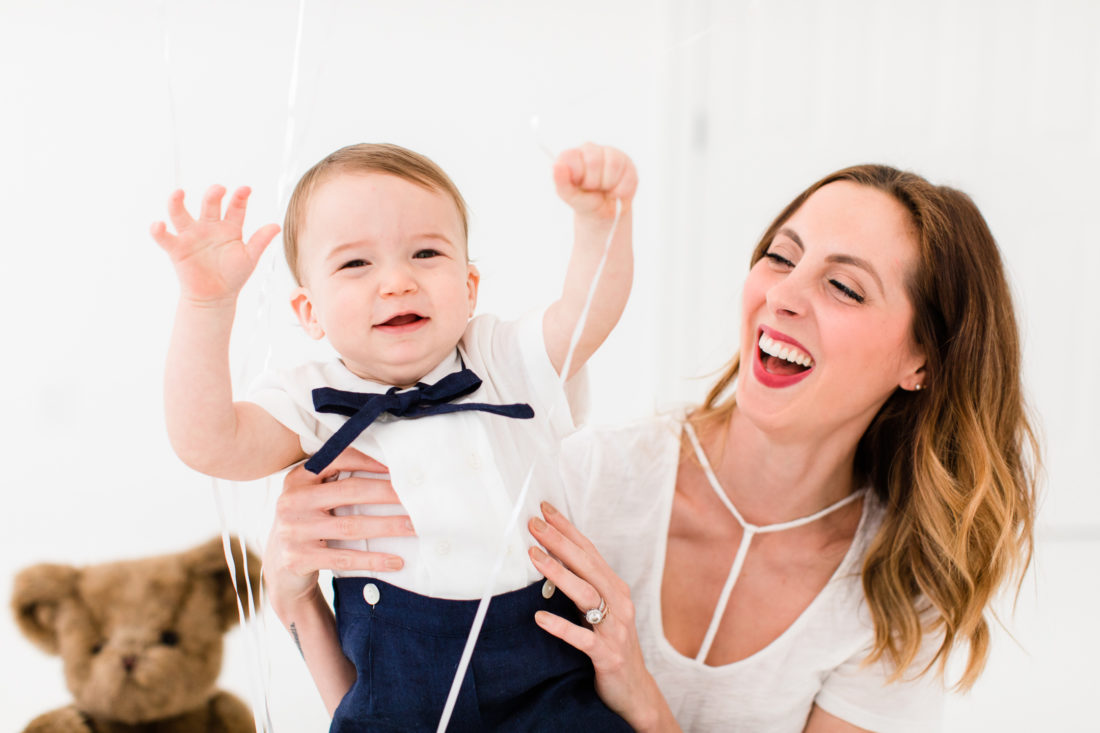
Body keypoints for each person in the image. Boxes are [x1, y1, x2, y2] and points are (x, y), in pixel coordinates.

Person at [265, 162, 1039, 732]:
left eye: (845, 286)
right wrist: (296, 593)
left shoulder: (895, 600)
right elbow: (399, 706)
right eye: (780, 255)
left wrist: (633, 687)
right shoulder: (583, 481)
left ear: (923, 361)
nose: (784, 294)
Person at [151, 142, 638, 730]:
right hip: (395, 675)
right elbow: (209, 442)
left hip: (539, 661)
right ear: (309, 311)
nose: (398, 281)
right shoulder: (310, 397)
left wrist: (600, 224)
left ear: (469, 287)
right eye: (356, 264)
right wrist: (207, 305)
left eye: (426, 253)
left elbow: (587, 313)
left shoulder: (499, 357)